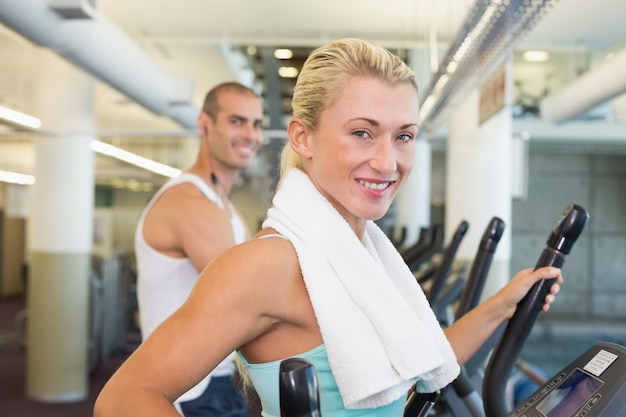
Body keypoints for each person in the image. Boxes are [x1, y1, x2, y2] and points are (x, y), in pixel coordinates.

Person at [94, 38, 564, 417]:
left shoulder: (365, 257)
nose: (387, 161)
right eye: (362, 132)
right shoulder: (265, 265)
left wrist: (501, 306)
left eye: (403, 136)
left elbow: (422, 361)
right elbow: (123, 398)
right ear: (303, 136)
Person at [133, 81, 264, 417]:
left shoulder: (230, 211)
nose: (251, 134)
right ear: (205, 125)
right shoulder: (189, 201)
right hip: (191, 387)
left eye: (257, 124)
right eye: (237, 121)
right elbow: (245, 295)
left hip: (221, 377)